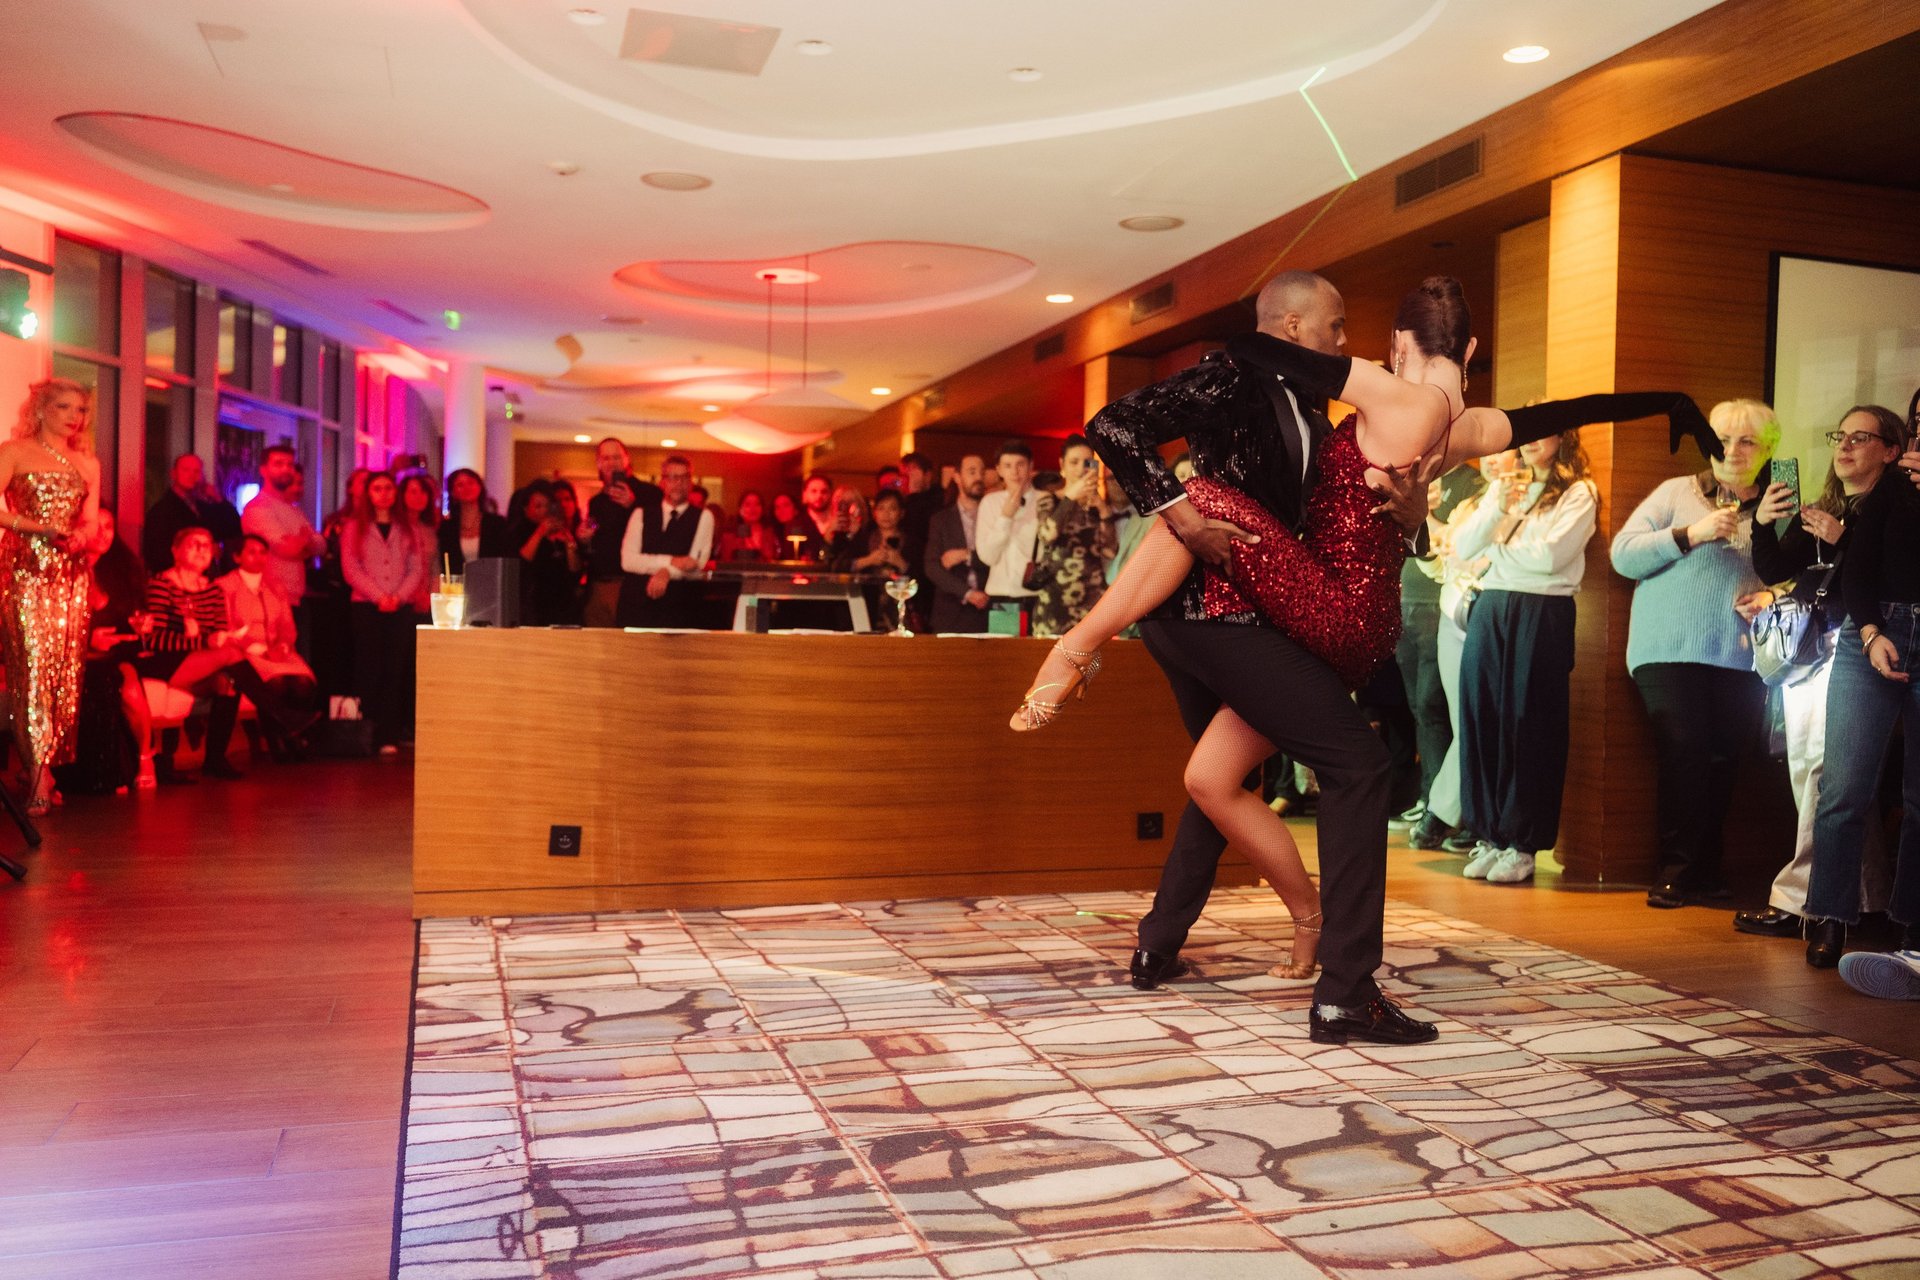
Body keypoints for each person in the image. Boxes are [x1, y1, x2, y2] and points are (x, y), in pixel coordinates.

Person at [1051, 273, 1716, 1044]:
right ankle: (1171, 943)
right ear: (1469, 348)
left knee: (1222, 515)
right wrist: (1665, 400)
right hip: (1364, 617)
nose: (1352, 346)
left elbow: (1256, 346)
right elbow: (1558, 415)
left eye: (1370, 340)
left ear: (1400, 346)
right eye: (1337, 330)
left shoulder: (1392, 400)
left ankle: (1342, 987)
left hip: (1328, 610)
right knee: (1224, 771)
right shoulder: (1468, 428)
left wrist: (1259, 343)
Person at [1734, 407, 1903, 940]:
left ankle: (1803, 900)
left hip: (1853, 647)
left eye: (1860, 437)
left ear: (1892, 451)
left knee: (1825, 775)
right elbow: (1781, 570)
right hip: (1808, 650)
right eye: (1840, 436)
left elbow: (1878, 579)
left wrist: (1841, 541)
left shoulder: (1893, 510)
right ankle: (1863, 896)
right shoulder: (1830, 508)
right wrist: (1763, 522)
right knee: (1825, 777)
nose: (1845, 446)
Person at [1611, 398, 1777, 909]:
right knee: (1684, 749)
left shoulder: (1781, 502)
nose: (1731, 450)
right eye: (1720, 439)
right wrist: (1689, 534)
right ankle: (1676, 871)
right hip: (1667, 650)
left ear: (1768, 449)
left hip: (1740, 653)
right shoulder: (1675, 492)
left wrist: (1776, 594)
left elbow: (1804, 571)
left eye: (1747, 440)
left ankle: (1706, 869)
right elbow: (1622, 555)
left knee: (1725, 759)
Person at [1450, 430, 1599, 885]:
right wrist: (1497, 510)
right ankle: (1489, 835)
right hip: (1491, 604)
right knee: (1481, 718)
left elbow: (1552, 557)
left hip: (1543, 609)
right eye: (1526, 434)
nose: (1532, 442)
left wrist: (1495, 550)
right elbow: (1460, 548)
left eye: (1544, 433)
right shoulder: (1505, 485)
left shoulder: (1579, 492)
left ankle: (1522, 843)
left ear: (1564, 438)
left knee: (1530, 722)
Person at [1803, 407, 1920, 968]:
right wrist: (1871, 631)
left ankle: (1912, 928)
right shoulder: (1893, 487)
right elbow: (1858, 568)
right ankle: (1829, 917)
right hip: (1871, 632)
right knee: (1844, 786)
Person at [0, 378, 101, 815]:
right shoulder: (14, 452)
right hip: (24, 571)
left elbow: (93, 521)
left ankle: (39, 767)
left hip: (69, 576)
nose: (74, 417)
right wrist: (33, 527)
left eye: (80, 410)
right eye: (64, 407)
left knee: (62, 677)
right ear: (41, 409)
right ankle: (38, 774)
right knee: (30, 672)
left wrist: (81, 536)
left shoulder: (87, 463)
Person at [139, 527, 309, 780]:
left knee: (228, 681)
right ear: (176, 551)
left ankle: (215, 759)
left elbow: (217, 632)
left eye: (206, 545)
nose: (201, 550)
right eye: (193, 544)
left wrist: (216, 639)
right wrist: (203, 640)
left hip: (203, 662)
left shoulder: (212, 591)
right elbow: (154, 639)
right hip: (166, 661)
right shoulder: (162, 585)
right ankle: (282, 716)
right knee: (229, 655)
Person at [1401, 463, 1488, 849]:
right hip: (1443, 610)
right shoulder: (1467, 503)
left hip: (1482, 613)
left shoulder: (1482, 489)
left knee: (1467, 717)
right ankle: (1448, 809)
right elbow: (1441, 563)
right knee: (1447, 715)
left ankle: (1449, 812)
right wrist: (1424, 521)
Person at [341, 471, 431, 755]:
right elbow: (351, 568)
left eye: (389, 488)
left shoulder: (408, 528)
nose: (383, 493)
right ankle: (365, 732)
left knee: (395, 669)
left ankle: (388, 734)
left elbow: (416, 568)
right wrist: (379, 596)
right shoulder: (354, 526)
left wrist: (398, 596)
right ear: (368, 493)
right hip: (367, 605)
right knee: (369, 667)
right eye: (377, 488)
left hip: (399, 606)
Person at [219, 533, 319, 761]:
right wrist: (257, 648)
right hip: (248, 650)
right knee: (277, 684)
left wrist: (283, 645)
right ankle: (278, 741)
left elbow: (287, 624)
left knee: (303, 684)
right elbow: (227, 625)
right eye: (251, 552)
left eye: (263, 552)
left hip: (277, 648)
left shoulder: (275, 586)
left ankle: (288, 736)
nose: (259, 558)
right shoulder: (226, 587)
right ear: (237, 557)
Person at [1029, 436, 1118, 638]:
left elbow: (1110, 551)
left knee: (1095, 667)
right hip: (1056, 600)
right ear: (1062, 464)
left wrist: (1103, 510)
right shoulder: (1049, 499)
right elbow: (1047, 534)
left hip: (1093, 601)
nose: (1081, 469)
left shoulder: (1097, 504)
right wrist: (1070, 497)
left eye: (1087, 462)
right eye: (1074, 462)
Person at [618, 455, 714, 628]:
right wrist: (669, 562)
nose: (677, 483)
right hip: (637, 605)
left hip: (680, 608)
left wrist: (666, 572)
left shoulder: (704, 517)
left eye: (683, 477)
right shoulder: (641, 514)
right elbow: (628, 561)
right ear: (662, 482)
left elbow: (694, 565)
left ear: (690, 483)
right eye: (671, 477)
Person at [241, 444, 326, 633]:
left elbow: (321, 547)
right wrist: (305, 541)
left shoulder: (294, 509)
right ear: (263, 470)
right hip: (270, 597)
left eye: (289, 464)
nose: (286, 469)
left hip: (297, 596)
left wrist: (301, 543)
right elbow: (289, 550)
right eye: (278, 464)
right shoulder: (258, 508)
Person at [582, 439, 661, 627]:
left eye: (616, 457)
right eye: (606, 458)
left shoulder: (649, 494)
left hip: (632, 584)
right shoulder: (597, 502)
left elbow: (658, 536)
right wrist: (585, 537)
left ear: (627, 460)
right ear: (599, 463)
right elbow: (596, 537)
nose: (612, 463)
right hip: (598, 585)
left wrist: (632, 506)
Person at [924, 454, 990, 633]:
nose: (978, 477)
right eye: (972, 472)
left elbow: (999, 559)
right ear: (957, 477)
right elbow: (932, 566)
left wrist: (966, 555)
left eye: (981, 473)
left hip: (991, 608)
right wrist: (967, 593)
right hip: (951, 609)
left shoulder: (995, 516)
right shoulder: (941, 520)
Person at [143, 454, 239, 575]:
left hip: (205, 580)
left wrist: (218, 498)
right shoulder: (161, 511)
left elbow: (234, 527)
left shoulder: (202, 508)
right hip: (176, 581)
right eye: (185, 470)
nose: (191, 475)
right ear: (173, 474)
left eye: (197, 471)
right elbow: (154, 554)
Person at [976, 440, 1041, 618]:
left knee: (1040, 646)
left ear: (1030, 467)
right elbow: (987, 556)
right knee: (1003, 645)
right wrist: (1005, 517)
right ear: (999, 470)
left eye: (1020, 464)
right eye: (1008, 465)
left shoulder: (1044, 501)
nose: (1014, 471)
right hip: (1000, 595)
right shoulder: (990, 502)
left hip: (1038, 595)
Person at [510, 480, 584, 626]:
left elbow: (575, 571)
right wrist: (539, 534)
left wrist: (569, 543)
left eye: (548, 506)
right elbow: (521, 564)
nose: (544, 510)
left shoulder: (559, 529)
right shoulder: (519, 532)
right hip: (532, 605)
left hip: (563, 605)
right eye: (538, 506)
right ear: (526, 508)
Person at [437, 468, 512, 577]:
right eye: (460, 485)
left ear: (480, 487)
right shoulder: (447, 528)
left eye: (471, 483)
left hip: (492, 585)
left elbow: (506, 560)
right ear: (453, 493)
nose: (467, 488)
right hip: (458, 587)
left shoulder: (497, 524)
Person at [719, 491, 781, 562]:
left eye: (757, 504)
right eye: (747, 505)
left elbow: (774, 557)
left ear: (762, 509)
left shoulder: (769, 532)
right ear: (740, 509)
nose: (753, 508)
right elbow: (727, 560)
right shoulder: (729, 534)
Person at [787, 475, 836, 561]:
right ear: (805, 494)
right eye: (814, 491)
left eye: (824, 492)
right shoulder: (796, 524)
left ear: (830, 494)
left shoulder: (839, 522)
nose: (819, 496)